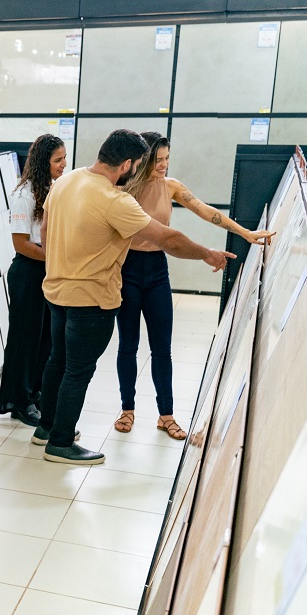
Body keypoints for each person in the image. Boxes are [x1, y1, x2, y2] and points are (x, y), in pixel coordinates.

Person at [34, 129, 236, 465]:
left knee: (58, 360)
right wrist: (205, 253)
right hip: (91, 299)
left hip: (56, 292)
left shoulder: (67, 181)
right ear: (126, 163)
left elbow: (45, 231)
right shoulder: (115, 201)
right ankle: (60, 442)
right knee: (78, 371)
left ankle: (46, 427)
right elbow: (167, 238)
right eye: (139, 164)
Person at [113, 132, 275, 439]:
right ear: (144, 160)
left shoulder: (172, 187)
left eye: (167, 159)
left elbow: (207, 212)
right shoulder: (125, 190)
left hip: (157, 271)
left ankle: (166, 415)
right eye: (158, 160)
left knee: (163, 348)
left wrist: (245, 232)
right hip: (128, 270)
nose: (163, 166)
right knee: (128, 345)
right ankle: (127, 409)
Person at [0, 134, 66, 426]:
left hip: (48, 270)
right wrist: (55, 259)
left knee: (46, 338)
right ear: (43, 163)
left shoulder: (54, 189)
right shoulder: (25, 193)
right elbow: (21, 244)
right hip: (28, 271)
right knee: (24, 339)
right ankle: (18, 400)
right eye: (58, 160)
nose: (64, 165)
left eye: (64, 158)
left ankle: (35, 391)